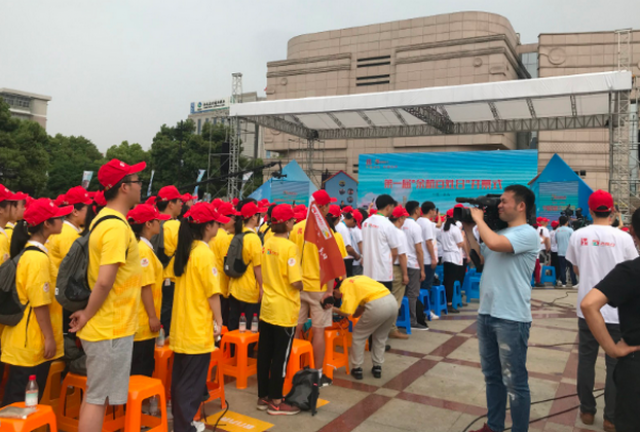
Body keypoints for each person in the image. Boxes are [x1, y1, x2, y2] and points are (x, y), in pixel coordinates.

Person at [68, 159, 145, 432]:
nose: (141, 186)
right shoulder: (115, 227)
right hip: (109, 326)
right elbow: (104, 282)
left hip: (110, 325)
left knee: (96, 395)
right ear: (124, 187)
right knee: (97, 397)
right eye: (137, 181)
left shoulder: (105, 220)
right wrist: (87, 314)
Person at [462, 185, 539, 432]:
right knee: (492, 377)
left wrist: (478, 219)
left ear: (521, 206)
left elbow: (494, 244)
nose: (499, 206)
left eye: (504, 201)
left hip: (511, 318)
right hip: (487, 314)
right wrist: (468, 230)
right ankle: (494, 426)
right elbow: (479, 261)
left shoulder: (527, 233)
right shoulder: (499, 233)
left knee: (515, 383)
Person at [565, 190, 638, 430]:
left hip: (587, 309)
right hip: (615, 311)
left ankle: (587, 410)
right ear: (612, 210)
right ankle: (611, 417)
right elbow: (632, 270)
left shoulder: (578, 235)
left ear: (589, 210)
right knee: (615, 364)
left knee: (586, 360)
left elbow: (576, 269)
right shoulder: (623, 237)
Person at [1, 198, 72, 406]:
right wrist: (49, 338)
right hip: (30, 341)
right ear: (47, 224)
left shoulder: (35, 253)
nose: (62, 221)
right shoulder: (37, 258)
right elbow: (39, 303)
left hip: (28, 340)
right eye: (58, 218)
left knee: (23, 399)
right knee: (20, 402)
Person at [170, 202, 225, 432]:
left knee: (181, 380)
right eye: (216, 223)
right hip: (197, 327)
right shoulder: (204, 253)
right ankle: (184, 427)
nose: (219, 226)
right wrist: (219, 320)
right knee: (191, 383)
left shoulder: (186, 250)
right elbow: (212, 293)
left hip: (182, 327)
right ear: (207, 226)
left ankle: (183, 422)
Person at [257, 204, 303, 416]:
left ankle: (263, 397)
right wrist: (305, 283)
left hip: (268, 306)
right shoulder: (290, 247)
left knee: (264, 354)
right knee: (280, 358)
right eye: (292, 220)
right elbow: (295, 281)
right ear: (286, 223)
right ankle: (276, 401)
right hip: (284, 309)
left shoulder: (267, 242)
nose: (294, 222)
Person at [289, 190, 339, 387]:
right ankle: (317, 374)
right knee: (318, 331)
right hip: (319, 288)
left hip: (298, 286)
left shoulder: (296, 228)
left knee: (296, 327)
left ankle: (291, 366)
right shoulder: (326, 231)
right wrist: (329, 292)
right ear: (324, 208)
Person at [127, 204, 169, 377]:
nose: (160, 224)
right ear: (148, 224)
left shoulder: (142, 247)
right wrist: (152, 316)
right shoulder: (143, 250)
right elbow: (145, 286)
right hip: (143, 320)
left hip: (143, 318)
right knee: (140, 369)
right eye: (157, 220)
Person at [333, 276, 397, 380]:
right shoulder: (355, 280)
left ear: (335, 289)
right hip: (391, 301)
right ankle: (377, 367)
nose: (336, 298)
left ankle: (357, 368)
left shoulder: (345, 287)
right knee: (380, 337)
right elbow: (361, 308)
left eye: (334, 295)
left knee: (358, 336)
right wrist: (354, 314)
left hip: (377, 305)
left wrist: (332, 309)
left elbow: (346, 312)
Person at [227, 201, 266, 333]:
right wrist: (262, 287)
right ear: (253, 217)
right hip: (249, 291)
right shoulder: (254, 239)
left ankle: (232, 347)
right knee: (248, 330)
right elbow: (258, 267)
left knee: (234, 328)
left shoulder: (238, 234)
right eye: (258, 214)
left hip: (234, 288)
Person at [155, 185, 184, 337]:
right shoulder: (175, 225)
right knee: (168, 319)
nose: (182, 204)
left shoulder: (152, 222)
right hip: (171, 278)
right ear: (170, 204)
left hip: (154, 278)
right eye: (179, 201)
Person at [209, 201, 238, 327]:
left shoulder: (212, 235)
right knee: (221, 321)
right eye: (233, 218)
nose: (235, 221)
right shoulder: (225, 238)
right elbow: (227, 263)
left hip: (211, 281)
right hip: (221, 285)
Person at [361, 194, 400, 290]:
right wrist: (388, 265)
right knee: (384, 299)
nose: (392, 210)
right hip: (383, 274)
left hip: (368, 273)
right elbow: (395, 252)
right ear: (388, 207)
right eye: (392, 207)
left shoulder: (365, 222)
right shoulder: (388, 225)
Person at [402, 201, 427, 330]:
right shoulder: (415, 226)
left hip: (401, 262)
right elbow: (419, 250)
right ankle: (412, 320)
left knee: (402, 293)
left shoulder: (401, 223)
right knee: (412, 294)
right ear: (416, 210)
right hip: (413, 264)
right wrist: (422, 269)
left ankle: (402, 318)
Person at [441, 209, 468, 314]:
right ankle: (449, 304)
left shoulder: (443, 228)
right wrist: (463, 236)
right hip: (453, 257)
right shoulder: (455, 229)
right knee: (451, 282)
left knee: (446, 280)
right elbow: (460, 243)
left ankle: (444, 302)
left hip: (446, 256)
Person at [389, 206, 410, 338]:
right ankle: (392, 329)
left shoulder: (385, 229)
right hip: (396, 268)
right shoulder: (399, 233)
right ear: (400, 218)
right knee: (395, 301)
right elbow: (401, 255)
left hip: (384, 267)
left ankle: (384, 328)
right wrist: (405, 274)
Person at [417, 201, 438, 291]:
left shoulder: (418, 221)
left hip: (419, 258)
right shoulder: (428, 223)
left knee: (419, 285)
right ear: (430, 211)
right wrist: (433, 258)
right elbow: (428, 242)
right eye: (434, 210)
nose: (435, 212)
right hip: (427, 259)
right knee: (426, 285)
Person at [555, 216, 577, 287]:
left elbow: (556, 241)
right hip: (569, 252)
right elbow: (574, 240)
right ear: (567, 222)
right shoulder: (570, 230)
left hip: (560, 252)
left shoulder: (557, 230)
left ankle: (563, 283)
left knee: (562, 268)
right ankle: (574, 283)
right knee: (571, 268)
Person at [343, 210, 363, 276]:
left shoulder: (348, 227)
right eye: (356, 223)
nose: (355, 225)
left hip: (352, 260)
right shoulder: (355, 229)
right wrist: (361, 257)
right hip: (356, 261)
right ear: (352, 220)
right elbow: (360, 244)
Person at [549, 220, 560, 285]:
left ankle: (553, 278)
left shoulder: (550, 232)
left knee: (553, 265)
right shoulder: (558, 232)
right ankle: (558, 278)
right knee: (558, 266)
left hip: (552, 250)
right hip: (558, 250)